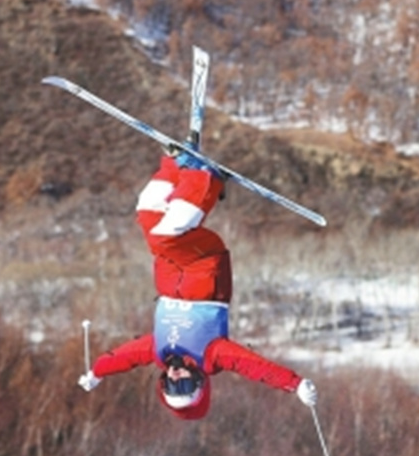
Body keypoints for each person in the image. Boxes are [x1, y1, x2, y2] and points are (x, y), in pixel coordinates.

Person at [77, 149, 317, 420]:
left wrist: (97, 372)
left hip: (170, 267)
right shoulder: (212, 356)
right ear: (199, 381)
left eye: (171, 384)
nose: (176, 376)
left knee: (148, 214)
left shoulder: (158, 350)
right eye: (185, 385)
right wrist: (294, 384)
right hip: (205, 268)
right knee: (166, 234)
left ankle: (174, 163)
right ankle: (201, 174)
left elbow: (123, 358)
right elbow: (252, 366)